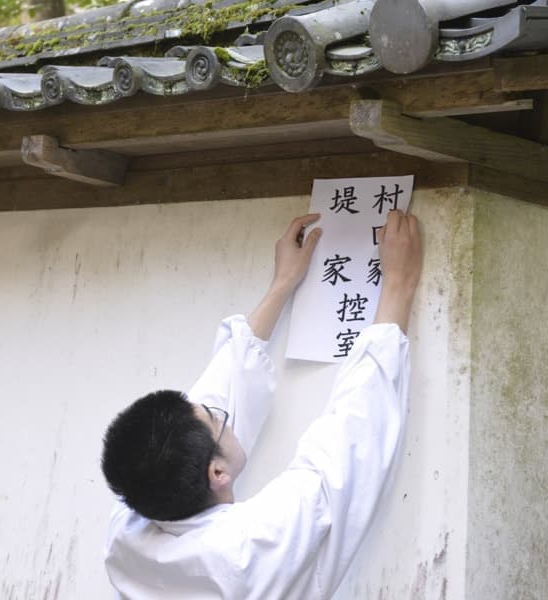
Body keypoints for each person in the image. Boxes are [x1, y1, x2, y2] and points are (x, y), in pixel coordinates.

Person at [100, 209, 422, 599]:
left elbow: (221, 388)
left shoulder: (126, 535)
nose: (219, 409)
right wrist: (399, 284)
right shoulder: (250, 548)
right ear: (217, 472)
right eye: (218, 419)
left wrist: (283, 283)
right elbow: (351, 442)